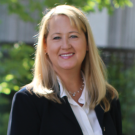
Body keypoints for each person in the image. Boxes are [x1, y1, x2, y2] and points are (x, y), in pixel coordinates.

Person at [7, 5, 122, 135]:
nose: (66, 45)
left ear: (87, 43)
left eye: (73, 36)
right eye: (57, 37)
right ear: (45, 46)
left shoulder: (107, 98)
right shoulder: (28, 101)